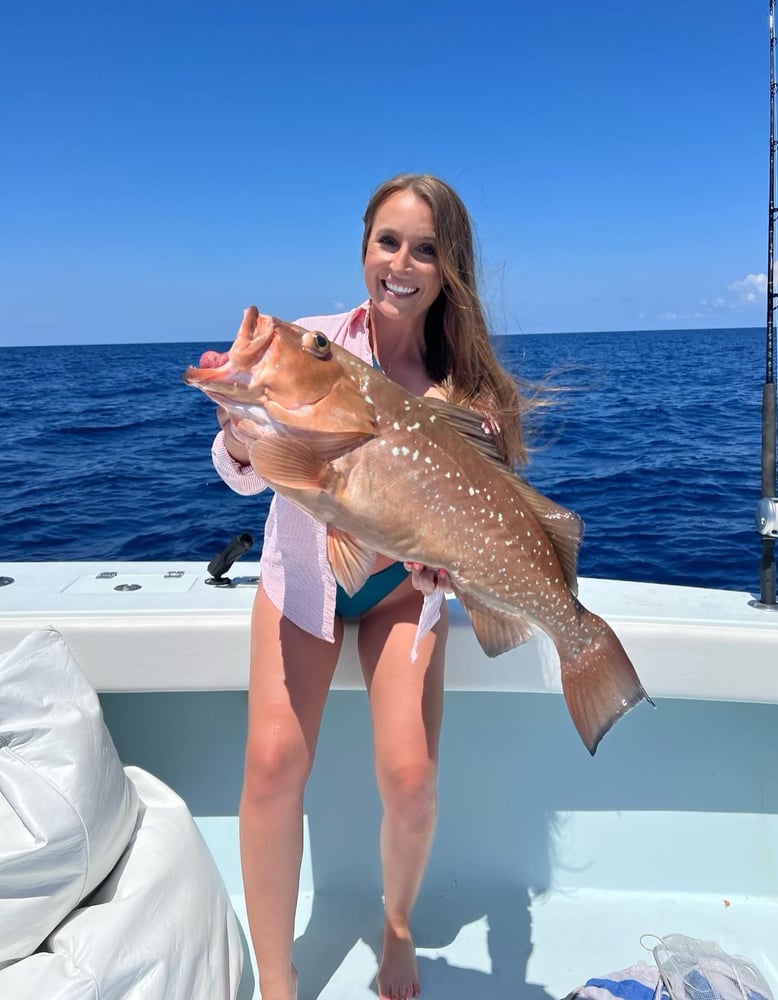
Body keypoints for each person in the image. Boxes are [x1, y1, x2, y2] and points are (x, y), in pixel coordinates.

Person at [209, 173, 530, 1000]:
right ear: (363, 251)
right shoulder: (313, 343)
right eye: (387, 241)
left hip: (398, 593)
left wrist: (445, 564)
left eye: (426, 249)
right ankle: (277, 982)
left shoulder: (469, 396)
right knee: (274, 762)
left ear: (448, 269)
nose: (402, 262)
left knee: (413, 780)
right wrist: (238, 434)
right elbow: (241, 476)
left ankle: (396, 930)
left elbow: (469, 523)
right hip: (304, 583)